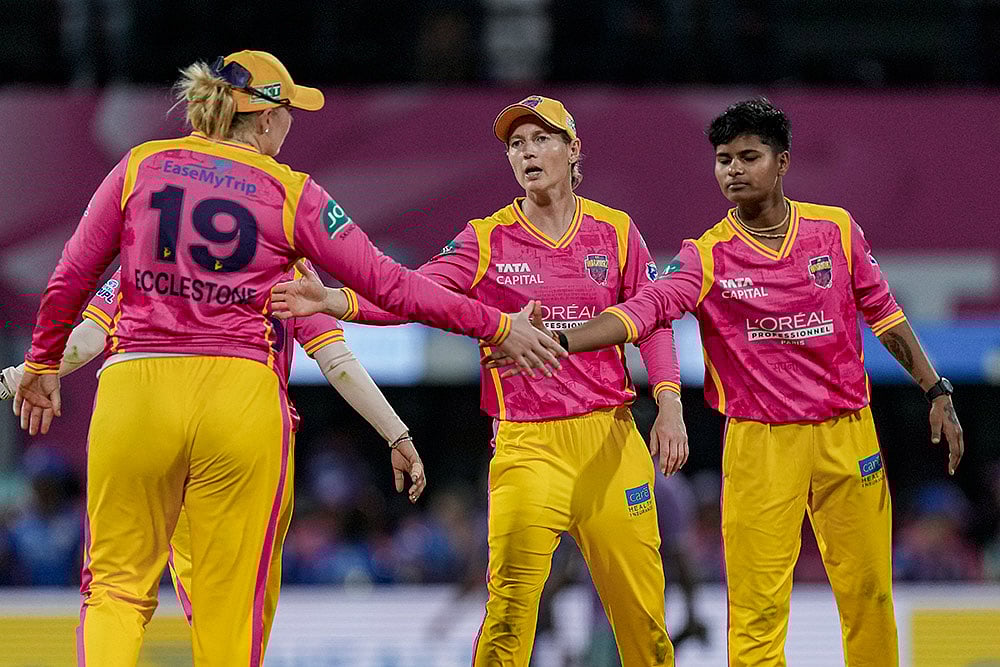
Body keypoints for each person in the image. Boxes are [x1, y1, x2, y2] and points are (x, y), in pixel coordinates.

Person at [12, 50, 564, 666]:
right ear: (268, 119)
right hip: (240, 397)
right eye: (290, 112)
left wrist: (39, 365)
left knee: (114, 587)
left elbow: (69, 280)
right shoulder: (293, 194)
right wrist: (496, 326)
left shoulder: (139, 166)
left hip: (134, 384)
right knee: (230, 605)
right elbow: (393, 286)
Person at [502, 97, 965, 666]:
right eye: (724, 159)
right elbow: (647, 309)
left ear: (784, 162)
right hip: (760, 446)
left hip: (849, 434)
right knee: (758, 614)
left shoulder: (836, 232)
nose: (734, 170)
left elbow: (885, 314)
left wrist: (934, 388)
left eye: (749, 157)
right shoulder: (707, 256)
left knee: (870, 597)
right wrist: (565, 340)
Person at [270, 95, 688, 666]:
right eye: (517, 144)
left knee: (644, 621)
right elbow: (411, 294)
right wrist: (337, 300)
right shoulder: (484, 238)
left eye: (541, 139)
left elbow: (653, 320)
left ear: (573, 151)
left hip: (612, 444)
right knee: (509, 619)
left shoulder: (616, 232)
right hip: (527, 445)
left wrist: (669, 404)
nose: (527, 152)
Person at [3, 260, 413, 649]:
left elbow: (89, 337)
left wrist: (25, 373)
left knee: (117, 588)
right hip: (246, 432)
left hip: (147, 415)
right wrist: (396, 434)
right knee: (237, 608)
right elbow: (336, 358)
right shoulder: (282, 255)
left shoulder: (146, 248)